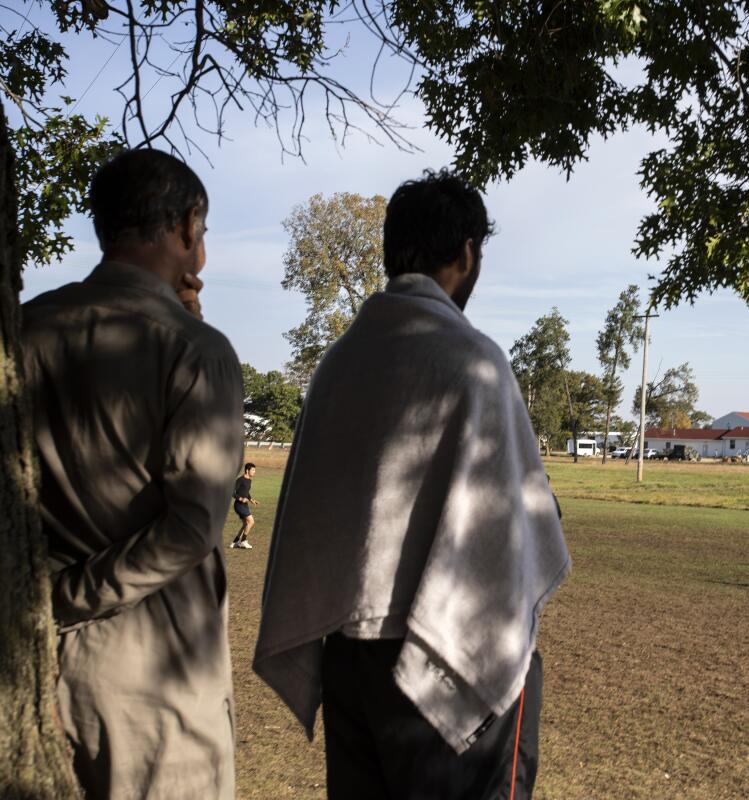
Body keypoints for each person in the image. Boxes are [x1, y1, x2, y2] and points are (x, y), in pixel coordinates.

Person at [254, 170, 570, 800]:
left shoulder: (339, 363)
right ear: (466, 252)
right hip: (446, 657)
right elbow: (524, 519)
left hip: (349, 657)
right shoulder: (474, 361)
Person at [21, 150, 243, 797]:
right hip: (157, 680)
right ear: (186, 229)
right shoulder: (196, 351)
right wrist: (69, 600)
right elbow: (193, 526)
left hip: (41, 669)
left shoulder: (27, 330)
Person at [230, 462, 259, 548]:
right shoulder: (240, 480)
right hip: (239, 505)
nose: (254, 472)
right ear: (247, 470)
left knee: (246, 524)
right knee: (251, 522)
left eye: (254, 470)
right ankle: (243, 541)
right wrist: (240, 498)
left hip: (245, 505)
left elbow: (246, 492)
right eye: (253, 470)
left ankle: (235, 542)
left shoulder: (249, 480)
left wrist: (251, 499)